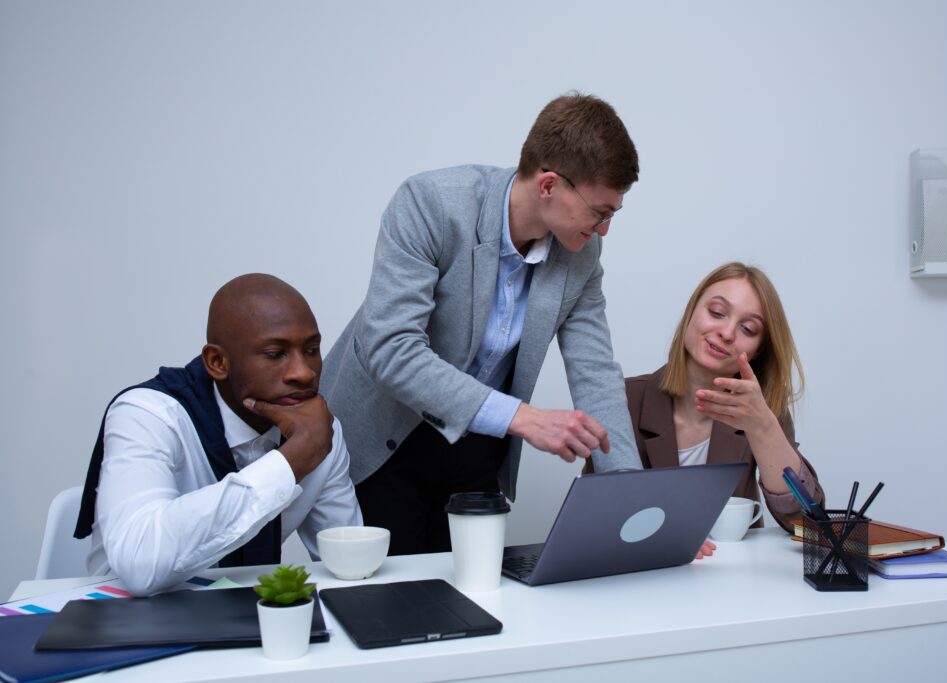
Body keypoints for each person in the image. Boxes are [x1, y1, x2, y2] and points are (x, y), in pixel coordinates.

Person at [320, 92, 643, 555]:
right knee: (389, 608)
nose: (604, 229)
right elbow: (390, 349)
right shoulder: (431, 203)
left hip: (477, 448)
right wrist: (523, 417)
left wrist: (629, 499)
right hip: (384, 441)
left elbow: (596, 372)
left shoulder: (582, 253)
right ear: (549, 185)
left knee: (475, 601)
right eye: (600, 212)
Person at [74, 274, 362, 596]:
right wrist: (290, 462)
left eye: (311, 349)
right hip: (127, 619)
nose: (304, 372)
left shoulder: (318, 430)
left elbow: (347, 558)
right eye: (275, 353)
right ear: (217, 362)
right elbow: (141, 563)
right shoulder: (148, 415)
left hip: (253, 623)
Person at [589, 262, 824, 535]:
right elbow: (598, 513)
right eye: (717, 312)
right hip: (643, 572)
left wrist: (763, 428)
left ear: (759, 351)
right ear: (691, 312)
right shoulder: (621, 399)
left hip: (730, 574)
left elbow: (806, 523)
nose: (726, 333)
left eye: (748, 329)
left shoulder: (761, 410)